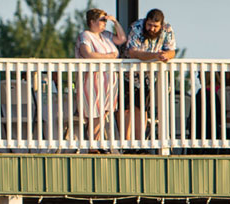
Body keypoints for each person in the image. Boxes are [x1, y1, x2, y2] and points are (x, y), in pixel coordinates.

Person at [123, 9, 176, 140]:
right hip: (128, 73)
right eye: (149, 25)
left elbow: (172, 51)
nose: (151, 29)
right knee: (127, 108)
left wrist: (165, 55)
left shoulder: (167, 29)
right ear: (145, 22)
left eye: (155, 26)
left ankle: (140, 143)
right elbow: (133, 52)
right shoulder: (136, 27)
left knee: (143, 108)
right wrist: (155, 56)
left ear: (161, 25)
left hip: (148, 77)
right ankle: (127, 143)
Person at [75, 9, 126, 144]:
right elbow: (87, 53)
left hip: (109, 81)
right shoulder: (85, 35)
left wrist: (114, 21)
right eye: (102, 20)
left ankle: (97, 142)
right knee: (94, 112)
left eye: (105, 20)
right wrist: (108, 57)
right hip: (93, 80)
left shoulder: (106, 35)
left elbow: (122, 39)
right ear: (92, 22)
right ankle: (93, 144)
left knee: (103, 112)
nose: (104, 23)